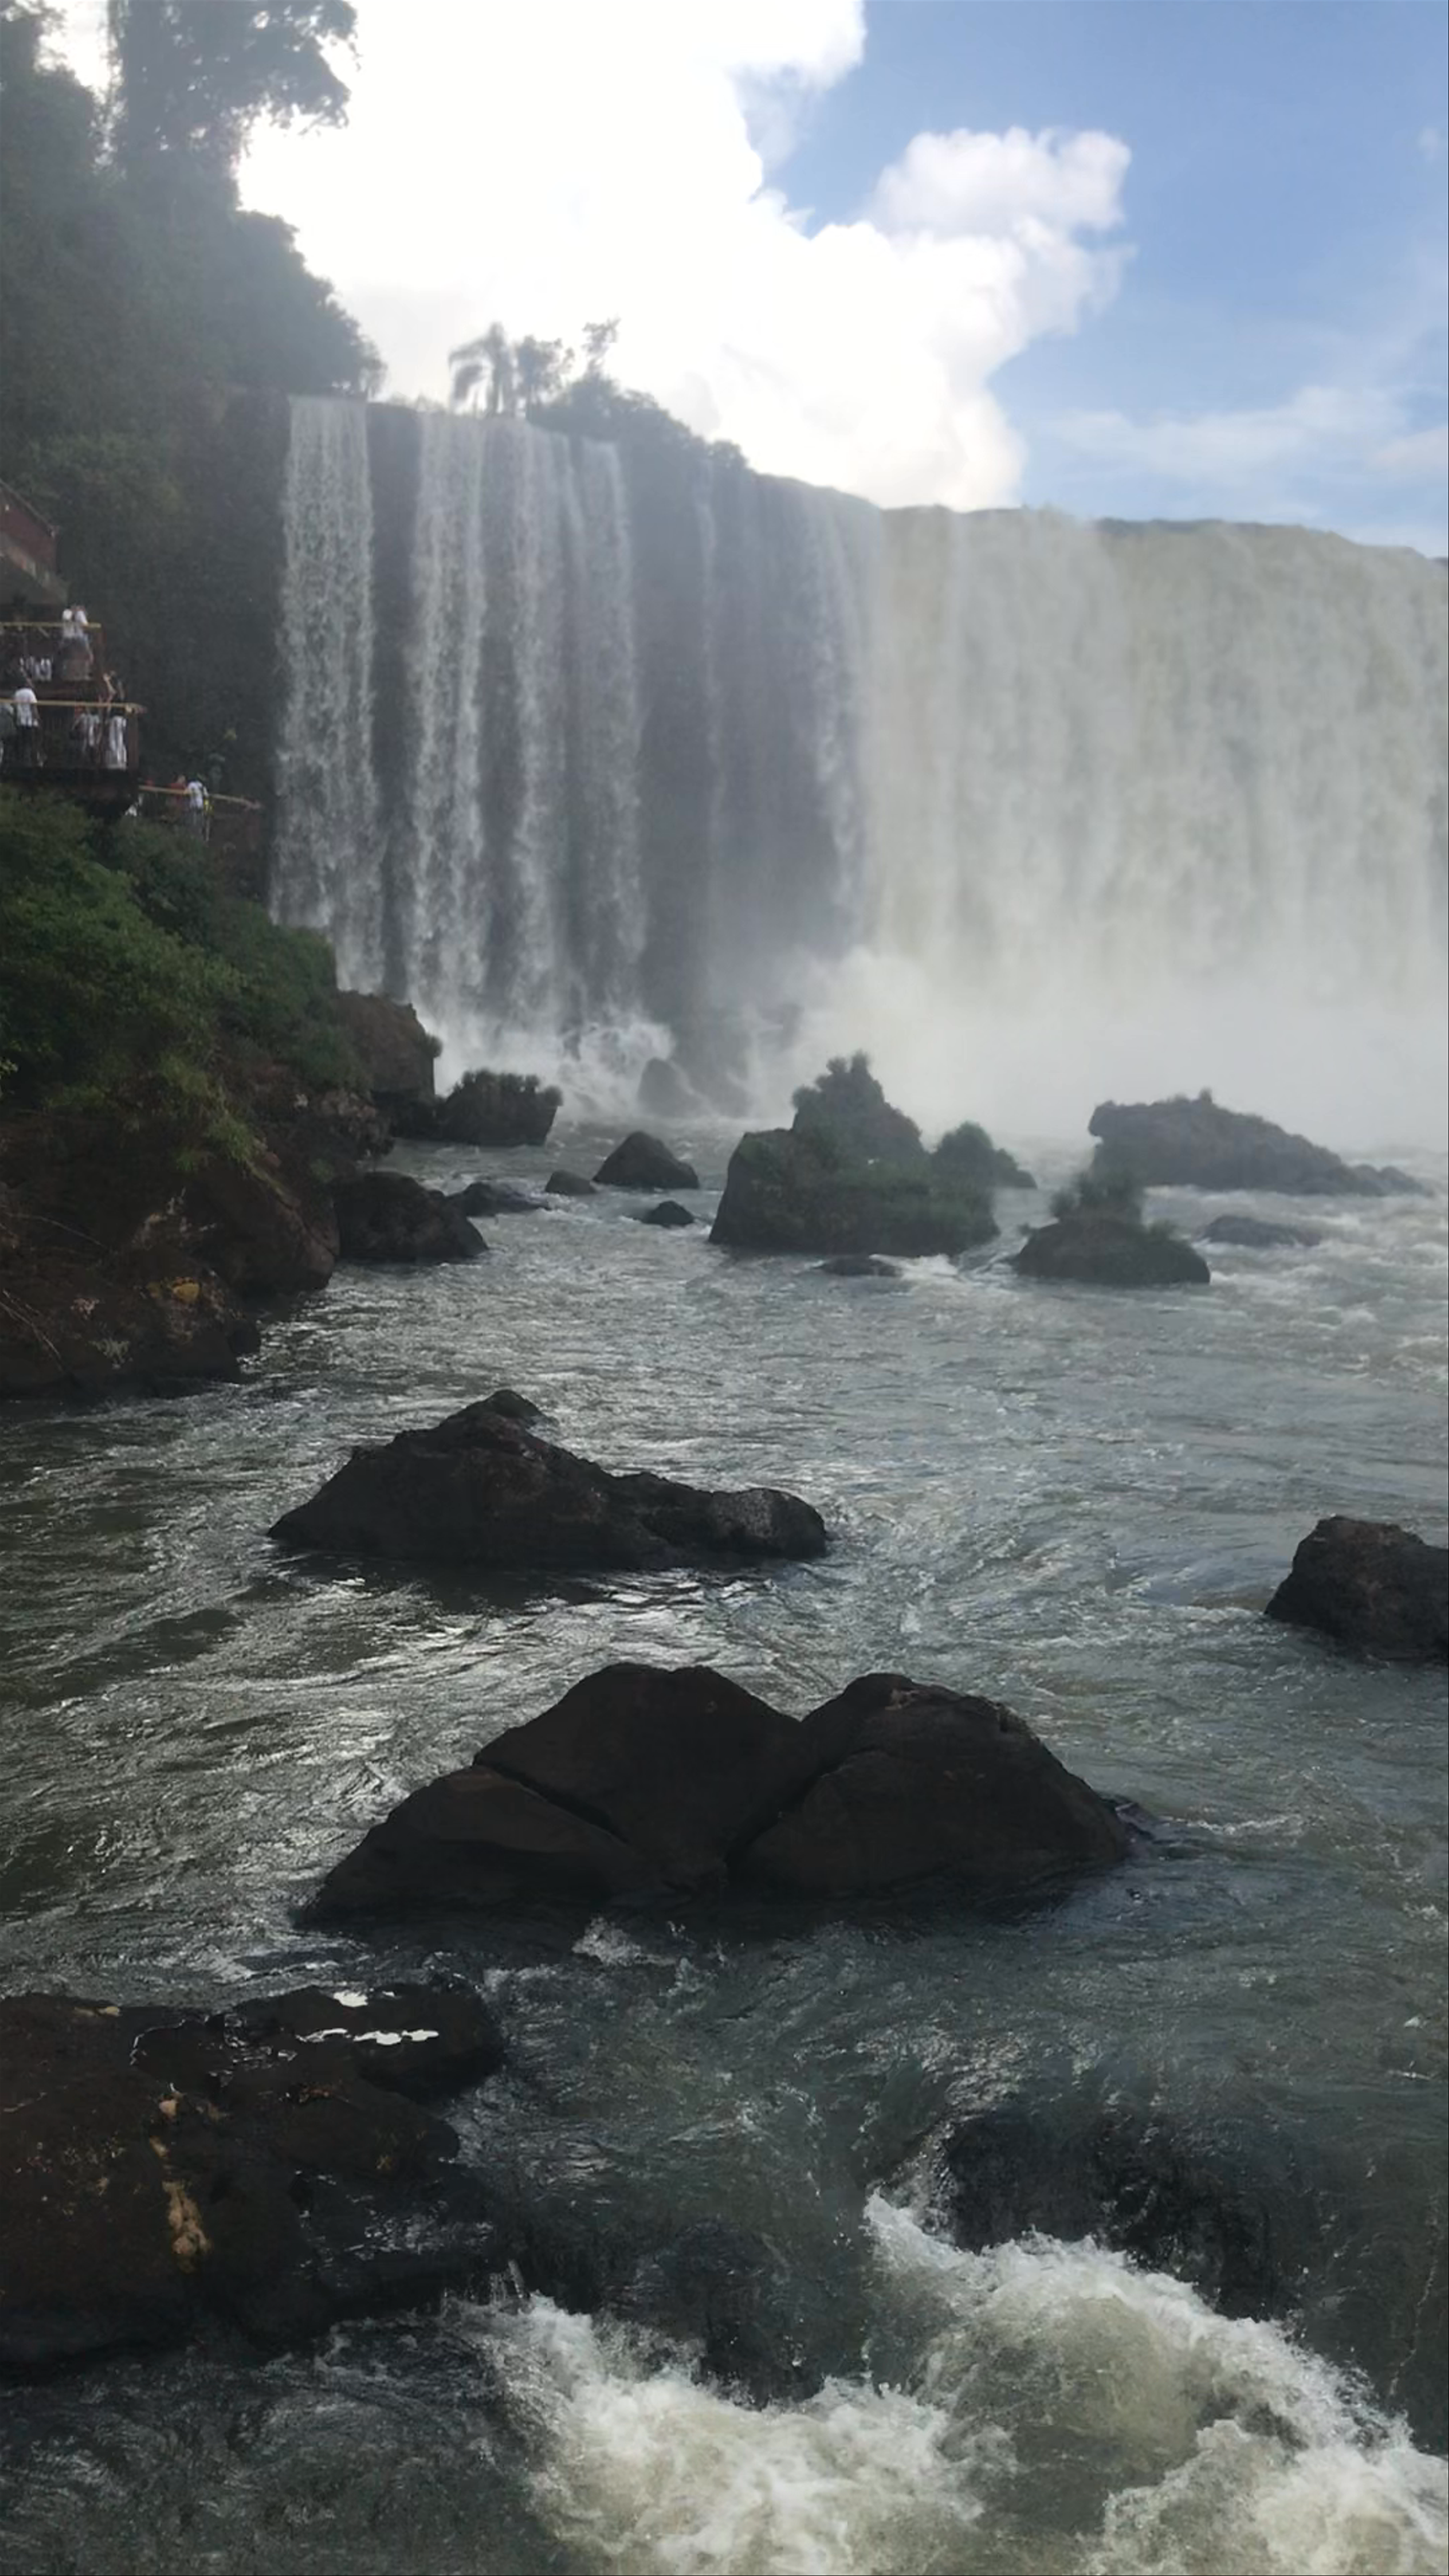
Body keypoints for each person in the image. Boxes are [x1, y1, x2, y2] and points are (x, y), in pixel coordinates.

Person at [12, 678, 40, 766]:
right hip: (30, 723)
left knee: (22, 745)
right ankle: (30, 764)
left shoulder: (17, 694)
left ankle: (21, 763)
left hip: (20, 723)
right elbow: (34, 708)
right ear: (27, 684)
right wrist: (38, 720)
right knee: (31, 745)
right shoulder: (30, 693)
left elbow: (15, 709)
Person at [184, 774, 209, 838]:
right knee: (198, 824)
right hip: (200, 807)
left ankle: (193, 837)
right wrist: (206, 808)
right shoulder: (203, 787)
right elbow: (206, 797)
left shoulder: (192, 785)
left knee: (194, 824)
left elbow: (186, 793)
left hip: (194, 806)